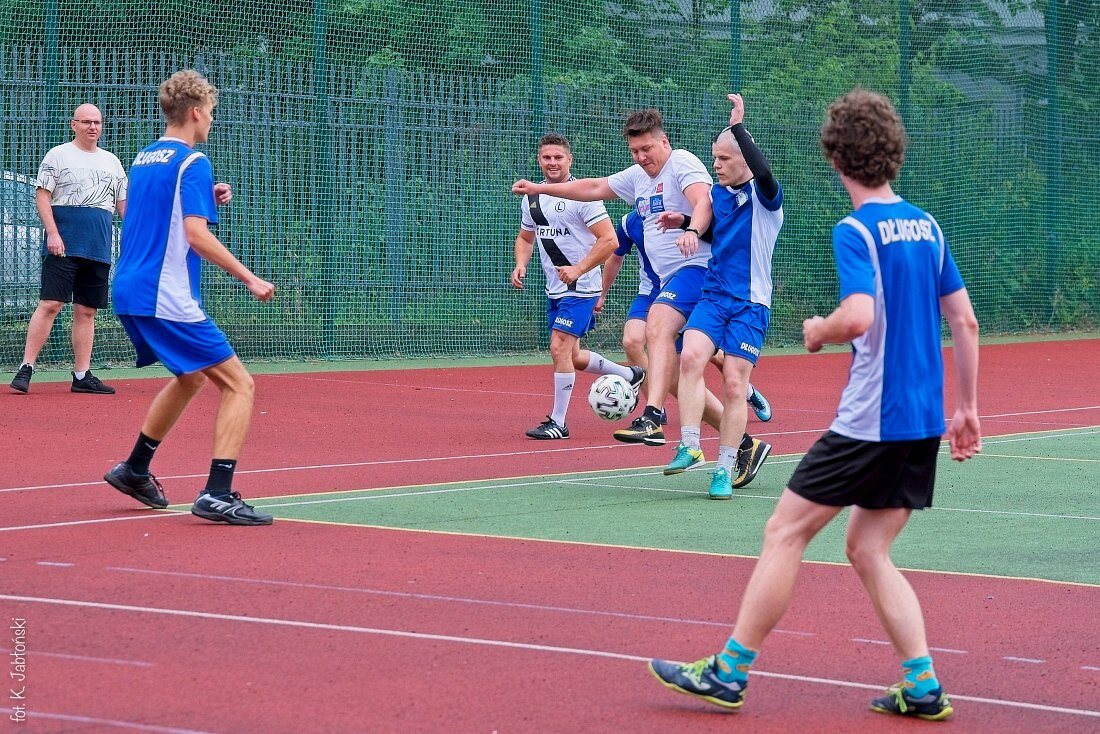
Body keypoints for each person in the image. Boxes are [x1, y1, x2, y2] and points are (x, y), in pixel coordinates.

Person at [648, 88, 981, 719]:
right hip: (922, 421)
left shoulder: (856, 230)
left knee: (784, 532)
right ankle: (922, 684)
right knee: (868, 549)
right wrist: (967, 409)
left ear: (835, 159)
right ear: (895, 153)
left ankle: (729, 672)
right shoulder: (928, 227)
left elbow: (859, 315)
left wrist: (819, 329)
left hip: (870, 419)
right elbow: (964, 322)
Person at [102, 69, 276, 526]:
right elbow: (195, 236)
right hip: (164, 292)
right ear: (196, 112)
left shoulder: (145, 158)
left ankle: (135, 469)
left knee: (192, 376)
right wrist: (249, 278)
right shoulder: (194, 162)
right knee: (239, 384)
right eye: (212, 112)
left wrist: (206, 197)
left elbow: (159, 212)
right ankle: (217, 493)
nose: (212, 120)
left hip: (130, 287)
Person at [513, 109, 715, 448]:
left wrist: (692, 229)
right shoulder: (637, 176)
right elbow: (594, 187)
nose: (641, 156)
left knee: (656, 332)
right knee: (653, 347)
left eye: (647, 149)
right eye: (635, 151)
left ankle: (648, 416)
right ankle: (740, 440)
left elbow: (703, 200)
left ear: (664, 142)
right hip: (660, 280)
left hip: (696, 267)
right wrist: (537, 188)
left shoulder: (681, 161)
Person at [659, 94, 782, 499]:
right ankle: (690, 445)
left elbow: (763, 169)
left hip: (750, 304)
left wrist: (738, 127)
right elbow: (719, 234)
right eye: (714, 158)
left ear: (744, 160)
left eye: (724, 158)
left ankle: (725, 468)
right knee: (690, 357)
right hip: (714, 295)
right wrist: (687, 224)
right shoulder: (718, 194)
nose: (716, 164)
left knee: (733, 384)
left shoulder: (766, 197)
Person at [513, 133, 643, 439]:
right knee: (571, 355)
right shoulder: (532, 198)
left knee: (558, 346)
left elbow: (609, 240)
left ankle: (558, 422)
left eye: (558, 157)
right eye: (547, 157)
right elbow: (526, 238)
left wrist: (578, 269)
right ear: (539, 160)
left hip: (582, 286)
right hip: (555, 288)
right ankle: (629, 373)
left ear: (569, 160)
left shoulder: (583, 196)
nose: (553, 162)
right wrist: (521, 263)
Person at [603, 209, 773, 429]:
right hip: (651, 291)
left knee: (708, 356)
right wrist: (602, 294)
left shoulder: (684, 211)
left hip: (684, 286)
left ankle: (747, 392)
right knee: (632, 341)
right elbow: (615, 256)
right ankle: (655, 407)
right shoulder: (629, 223)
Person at [10, 104, 127, 395]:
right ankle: (26, 367)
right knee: (50, 304)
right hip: (63, 244)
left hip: (98, 247)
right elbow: (42, 196)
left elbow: (123, 207)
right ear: (73, 124)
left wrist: (139, 234)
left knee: (86, 311)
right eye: (86, 121)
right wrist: (53, 233)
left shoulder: (112, 162)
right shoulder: (58, 155)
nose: (92, 127)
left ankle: (82, 375)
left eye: (97, 122)